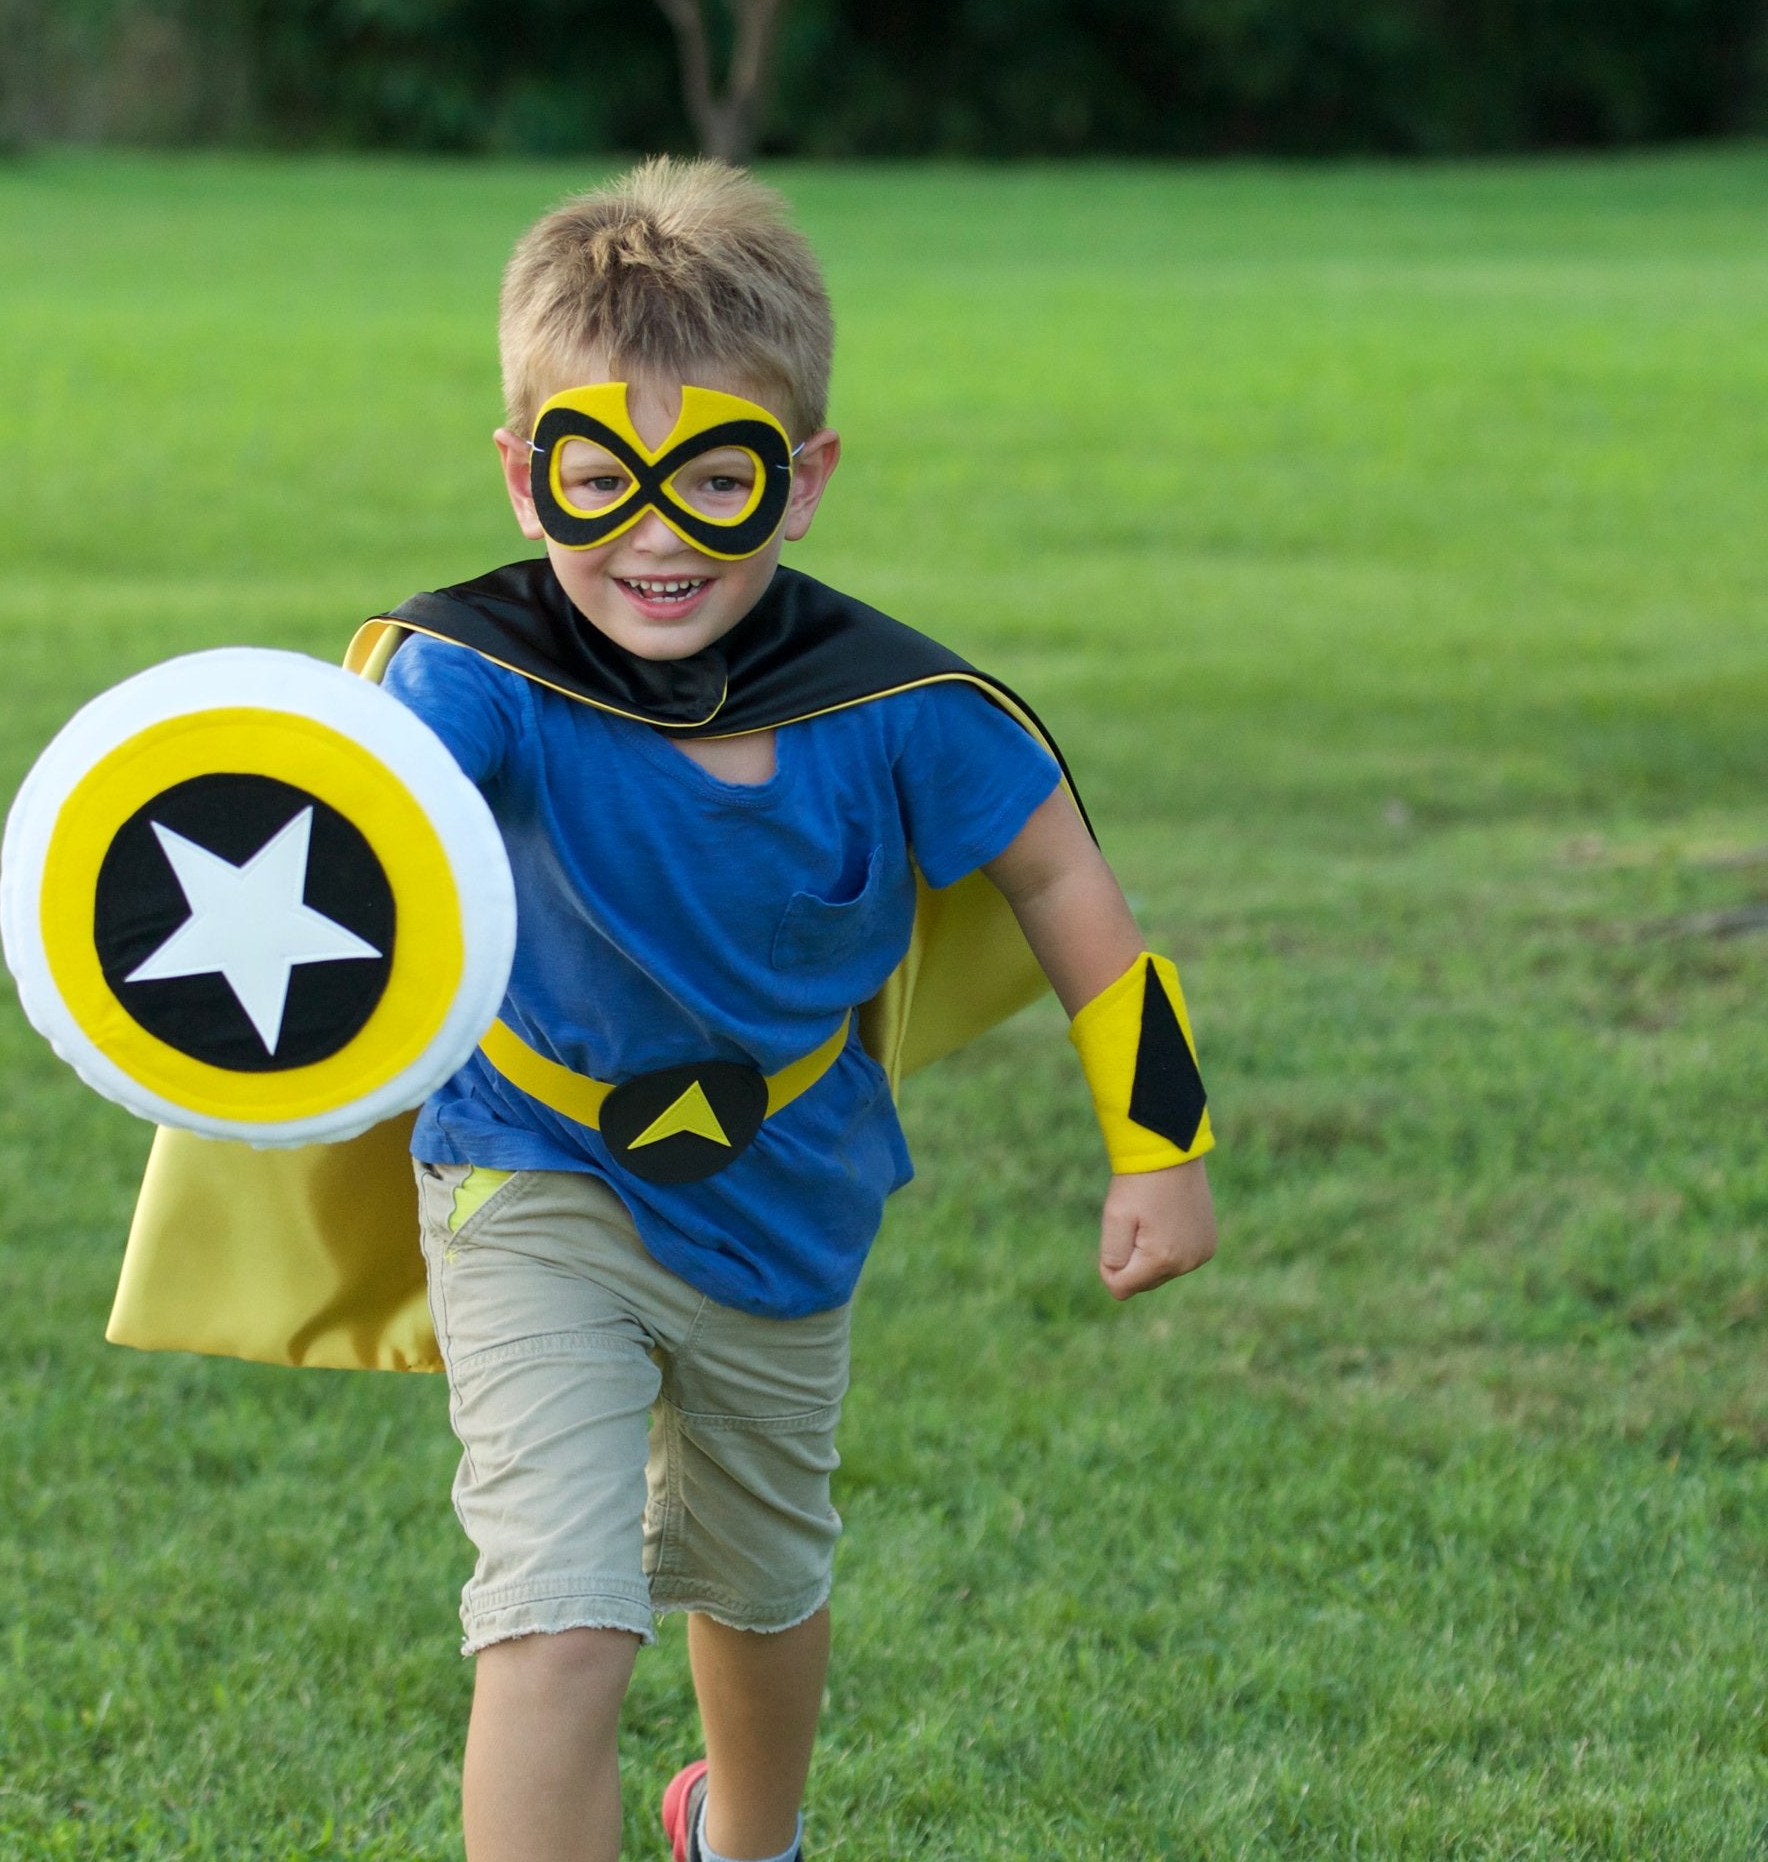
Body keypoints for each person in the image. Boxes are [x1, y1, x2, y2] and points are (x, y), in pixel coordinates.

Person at [373, 157, 1218, 1862]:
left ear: (805, 479)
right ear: (525, 478)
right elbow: (368, 822)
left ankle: (743, 1838)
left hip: (788, 1197)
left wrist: (1162, 1148)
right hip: (529, 1169)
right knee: (557, 1613)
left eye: (719, 480)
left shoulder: (892, 704)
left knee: (760, 1585)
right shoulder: (472, 676)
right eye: (599, 481)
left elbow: (1069, 888)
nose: (658, 536)